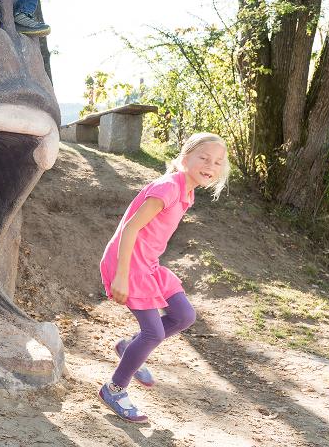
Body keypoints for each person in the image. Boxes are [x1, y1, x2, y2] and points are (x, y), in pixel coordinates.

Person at [97, 132, 231, 423]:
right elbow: (130, 229)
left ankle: (127, 347)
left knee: (183, 316)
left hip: (148, 264)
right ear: (185, 159)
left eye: (217, 162)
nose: (210, 165)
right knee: (154, 333)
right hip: (127, 263)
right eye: (204, 158)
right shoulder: (169, 188)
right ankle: (114, 389)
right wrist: (121, 276)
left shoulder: (187, 192)